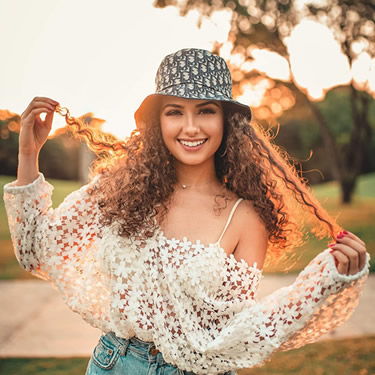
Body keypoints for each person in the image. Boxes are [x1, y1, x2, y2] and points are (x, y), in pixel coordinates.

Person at [3, 48, 369, 375]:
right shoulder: (117, 190)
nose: (190, 127)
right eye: (175, 112)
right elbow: (36, 250)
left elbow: (240, 332)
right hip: (112, 365)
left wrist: (325, 282)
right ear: (157, 122)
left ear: (227, 121)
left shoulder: (245, 217)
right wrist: (28, 156)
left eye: (205, 111)